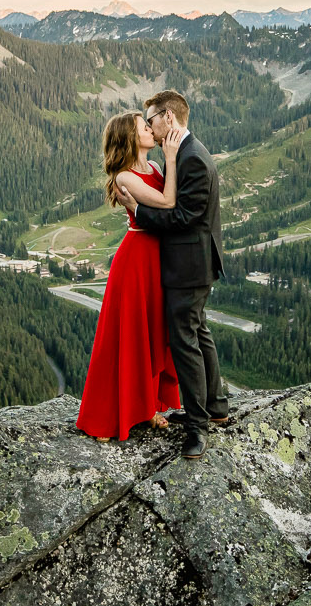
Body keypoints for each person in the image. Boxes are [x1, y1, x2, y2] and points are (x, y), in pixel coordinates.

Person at [130, 89, 229, 461]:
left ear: (168, 117)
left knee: (184, 340)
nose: (151, 129)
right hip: (194, 264)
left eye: (152, 119)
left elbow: (183, 218)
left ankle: (197, 428)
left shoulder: (193, 161)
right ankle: (216, 405)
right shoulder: (187, 153)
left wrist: (138, 212)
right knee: (199, 331)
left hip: (189, 267)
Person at [75, 111, 185, 441]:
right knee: (128, 334)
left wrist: (165, 162)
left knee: (150, 332)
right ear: (131, 138)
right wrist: (172, 156)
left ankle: (146, 406)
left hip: (155, 258)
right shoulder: (125, 177)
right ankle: (108, 417)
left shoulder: (150, 168)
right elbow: (168, 201)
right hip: (137, 260)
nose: (152, 130)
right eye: (145, 127)